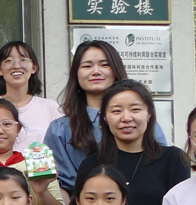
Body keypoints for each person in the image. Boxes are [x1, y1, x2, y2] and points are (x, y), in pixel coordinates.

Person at [43, 39, 168, 195]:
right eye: (87, 66)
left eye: (104, 65)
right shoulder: (60, 129)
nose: (96, 71)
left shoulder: (141, 122)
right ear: (76, 73)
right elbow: (61, 186)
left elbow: (161, 166)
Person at [0, 41, 64, 151]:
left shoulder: (52, 109)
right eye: (9, 60)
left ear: (34, 67)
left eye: (23, 59)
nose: (16, 66)